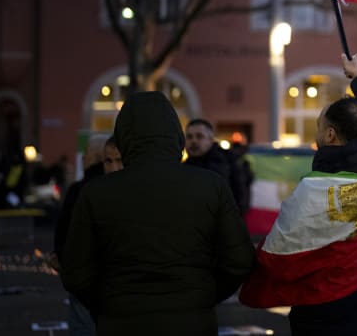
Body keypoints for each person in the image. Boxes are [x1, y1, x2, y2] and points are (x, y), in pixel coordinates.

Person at [240, 53, 357, 336]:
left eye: (319, 126)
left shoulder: (313, 194)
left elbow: (277, 258)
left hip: (323, 321)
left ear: (330, 135)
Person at [60, 91, 255, 335]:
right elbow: (239, 260)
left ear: (124, 136)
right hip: (191, 321)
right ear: (175, 134)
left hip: (121, 321)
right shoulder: (210, 186)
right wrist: (202, 296)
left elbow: (75, 271)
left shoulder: (96, 193)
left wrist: (108, 303)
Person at [51, 134, 112, 336]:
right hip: (109, 275)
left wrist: (60, 257)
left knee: (83, 325)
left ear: (95, 156)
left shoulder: (81, 189)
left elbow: (66, 229)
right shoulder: (117, 187)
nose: (83, 159)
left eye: (86, 155)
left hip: (84, 273)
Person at [184, 118, 246, 212]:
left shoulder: (229, 162)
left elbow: (240, 197)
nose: (194, 141)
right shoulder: (182, 168)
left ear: (210, 140)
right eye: (189, 137)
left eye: (199, 136)